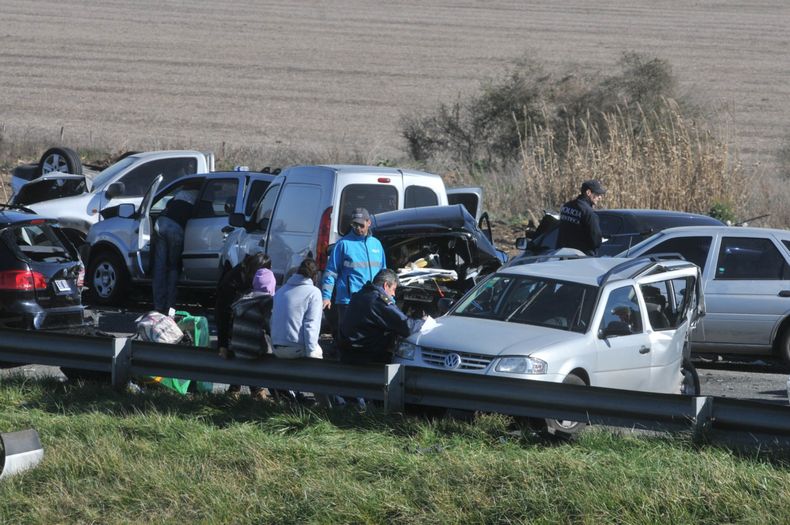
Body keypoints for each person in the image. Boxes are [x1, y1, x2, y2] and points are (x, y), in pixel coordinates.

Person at [321, 207, 386, 351]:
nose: (357, 228)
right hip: (348, 301)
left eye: (361, 225)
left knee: (368, 339)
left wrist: (386, 297)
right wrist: (326, 297)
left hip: (371, 300)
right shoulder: (343, 244)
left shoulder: (377, 244)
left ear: (369, 223)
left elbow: (383, 274)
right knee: (347, 340)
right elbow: (331, 272)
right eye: (354, 224)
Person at [339, 268, 425, 365]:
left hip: (348, 352)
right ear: (385, 285)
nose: (393, 294)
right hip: (366, 357)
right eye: (393, 289)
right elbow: (407, 326)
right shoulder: (378, 300)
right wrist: (424, 322)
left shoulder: (361, 294)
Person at [152, 182, 201, 313]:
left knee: (160, 266)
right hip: (175, 228)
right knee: (173, 267)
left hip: (161, 223)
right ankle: (170, 305)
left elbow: (168, 207)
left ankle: (158, 305)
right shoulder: (200, 196)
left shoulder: (180, 194)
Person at [271, 258, 324, 359]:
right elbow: (311, 325)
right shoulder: (314, 293)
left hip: (276, 347)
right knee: (317, 352)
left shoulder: (280, 291)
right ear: (315, 275)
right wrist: (311, 353)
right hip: (296, 349)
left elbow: (272, 320)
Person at [556, 179, 606, 256]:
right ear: (588, 192)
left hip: (561, 255)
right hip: (580, 259)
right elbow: (596, 242)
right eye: (597, 194)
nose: (600, 198)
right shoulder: (589, 214)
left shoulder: (566, 207)